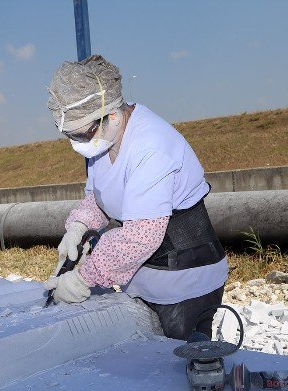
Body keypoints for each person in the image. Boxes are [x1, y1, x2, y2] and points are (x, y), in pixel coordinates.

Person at [44, 55, 228, 341]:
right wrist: (78, 227)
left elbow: (141, 236)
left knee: (178, 367)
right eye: (70, 136)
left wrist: (83, 279)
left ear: (113, 115)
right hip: (144, 276)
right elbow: (100, 197)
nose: (78, 144)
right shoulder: (105, 140)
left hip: (185, 280)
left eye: (82, 134)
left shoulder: (151, 147)